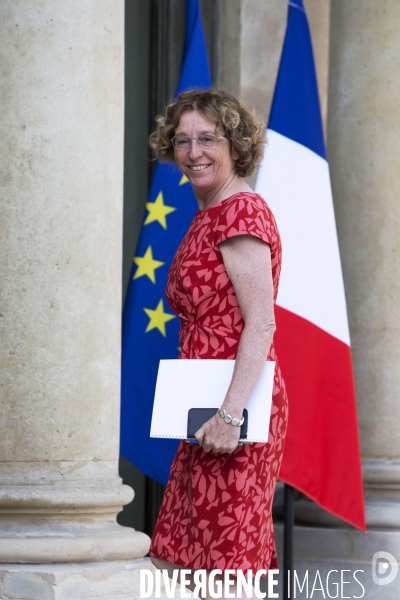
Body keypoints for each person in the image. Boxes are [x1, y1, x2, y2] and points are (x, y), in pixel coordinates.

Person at [148, 88, 288, 598]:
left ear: (235, 143)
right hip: (204, 405)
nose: (193, 152)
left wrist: (230, 417)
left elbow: (262, 324)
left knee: (224, 570)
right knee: (183, 560)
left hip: (233, 409)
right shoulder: (208, 212)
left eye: (207, 138)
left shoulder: (239, 214)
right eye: (182, 140)